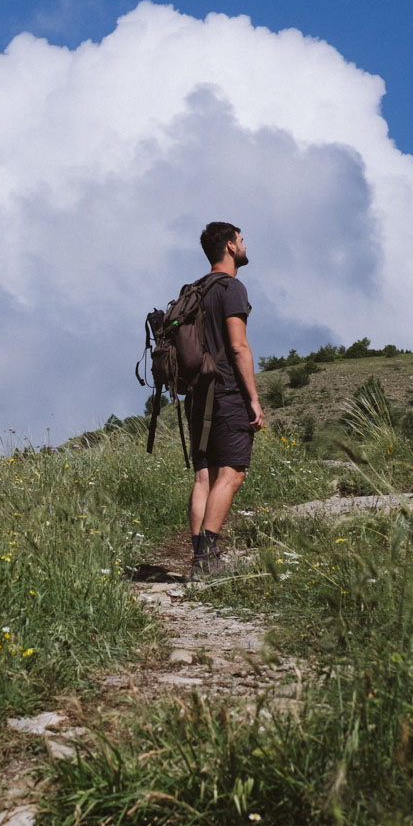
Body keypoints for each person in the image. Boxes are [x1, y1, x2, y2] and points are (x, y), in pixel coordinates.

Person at [186, 221, 265, 579]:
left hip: (196, 395)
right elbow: (238, 346)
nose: (245, 245)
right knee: (231, 474)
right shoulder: (231, 288)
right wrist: (253, 398)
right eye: (242, 240)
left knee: (204, 476)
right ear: (230, 246)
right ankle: (207, 558)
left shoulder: (196, 289)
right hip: (227, 392)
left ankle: (198, 557)